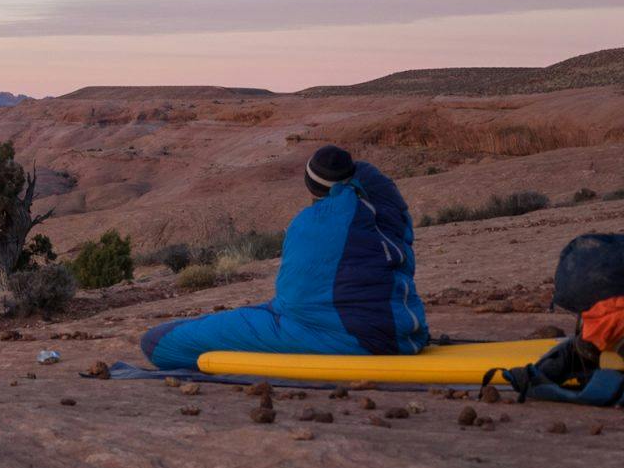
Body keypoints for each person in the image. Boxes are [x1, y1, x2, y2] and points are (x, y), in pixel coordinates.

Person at [141, 145, 428, 369]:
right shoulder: (381, 210)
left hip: (342, 338)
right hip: (405, 331)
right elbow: (375, 181)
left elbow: (292, 304)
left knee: (157, 342)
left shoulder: (310, 224)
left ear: (311, 186)